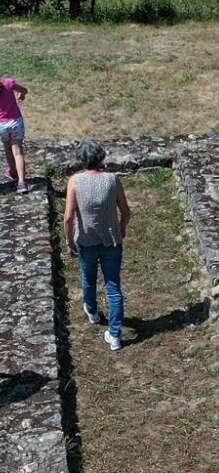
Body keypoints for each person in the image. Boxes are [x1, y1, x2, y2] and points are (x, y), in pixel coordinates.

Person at [64, 139, 131, 352]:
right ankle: (114, 334)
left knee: (88, 277)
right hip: (111, 240)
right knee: (113, 287)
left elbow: (68, 218)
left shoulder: (75, 181)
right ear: (101, 157)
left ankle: (92, 311)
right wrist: (122, 227)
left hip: (86, 240)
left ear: (82, 160)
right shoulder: (112, 180)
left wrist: (70, 242)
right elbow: (126, 211)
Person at [0, 77, 29, 194]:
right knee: (18, 152)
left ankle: (12, 171)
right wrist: (21, 95)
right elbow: (24, 90)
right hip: (16, 122)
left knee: (7, 148)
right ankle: (22, 183)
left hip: (1, 124)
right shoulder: (8, 83)